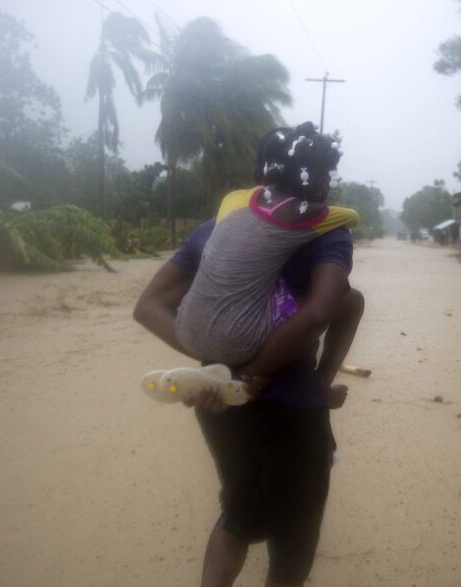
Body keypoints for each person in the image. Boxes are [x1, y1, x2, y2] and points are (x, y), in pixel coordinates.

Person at [134, 127, 364, 586]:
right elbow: (324, 308)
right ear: (323, 179)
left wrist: (219, 370)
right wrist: (272, 374)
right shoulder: (324, 234)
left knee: (238, 515)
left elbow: (149, 306)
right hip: (294, 408)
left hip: (218, 399)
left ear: (261, 173)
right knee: (293, 541)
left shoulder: (215, 229)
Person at [174, 121, 360, 371]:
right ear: (314, 181)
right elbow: (352, 216)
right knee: (351, 301)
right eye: (325, 177)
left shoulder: (232, 201)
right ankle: (317, 385)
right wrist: (254, 371)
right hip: (242, 344)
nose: (327, 185)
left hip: (185, 332)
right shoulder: (310, 217)